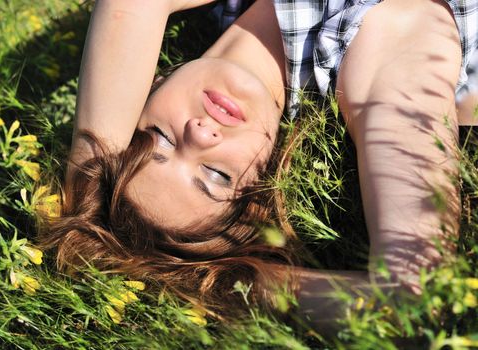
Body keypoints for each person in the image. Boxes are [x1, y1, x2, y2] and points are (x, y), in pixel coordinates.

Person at [41, 0, 478, 328]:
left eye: (161, 137)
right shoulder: (376, 54)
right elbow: (413, 298)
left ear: (145, 89)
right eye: (216, 176)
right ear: (261, 188)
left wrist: (87, 181)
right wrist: (224, 283)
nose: (200, 134)